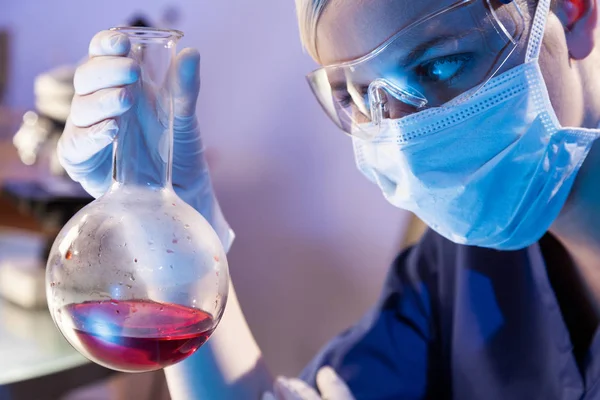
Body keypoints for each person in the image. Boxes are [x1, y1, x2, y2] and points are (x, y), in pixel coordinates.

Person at [57, 0, 600, 398]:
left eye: (439, 65)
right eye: (357, 96)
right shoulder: (459, 268)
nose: (406, 137)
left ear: (573, 12)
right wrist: (177, 226)